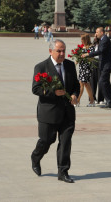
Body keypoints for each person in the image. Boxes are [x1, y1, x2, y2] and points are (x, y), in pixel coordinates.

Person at [31, 39, 79, 183]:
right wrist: (53, 92)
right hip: (49, 112)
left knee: (65, 142)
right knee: (46, 140)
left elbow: (76, 85)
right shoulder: (41, 67)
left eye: (64, 50)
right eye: (58, 51)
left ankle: (63, 172)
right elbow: (36, 88)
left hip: (67, 112)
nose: (62, 53)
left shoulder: (70, 65)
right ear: (50, 51)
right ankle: (36, 157)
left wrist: (75, 95)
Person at [82, 27, 111, 109]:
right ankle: (109, 102)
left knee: (102, 82)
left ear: (102, 32)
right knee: (105, 82)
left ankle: (109, 101)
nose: (96, 34)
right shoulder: (102, 39)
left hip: (107, 64)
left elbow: (100, 51)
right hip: (104, 64)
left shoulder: (105, 40)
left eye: (97, 32)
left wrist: (88, 54)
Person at [76, 34, 96, 107]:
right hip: (81, 67)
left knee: (82, 83)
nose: (81, 41)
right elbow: (78, 56)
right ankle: (92, 101)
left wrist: (86, 55)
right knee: (87, 85)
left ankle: (77, 101)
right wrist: (76, 61)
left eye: (82, 39)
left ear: (86, 39)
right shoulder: (81, 47)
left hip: (87, 67)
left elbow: (92, 56)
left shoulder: (91, 47)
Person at [90, 35, 104, 104]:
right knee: (92, 81)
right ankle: (92, 98)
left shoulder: (103, 44)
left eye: (96, 37)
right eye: (95, 37)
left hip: (100, 62)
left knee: (100, 81)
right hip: (93, 62)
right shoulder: (93, 45)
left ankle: (101, 99)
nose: (95, 38)